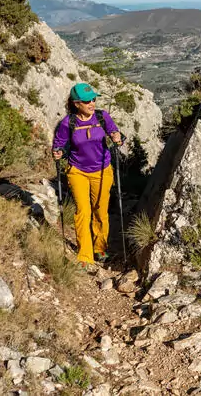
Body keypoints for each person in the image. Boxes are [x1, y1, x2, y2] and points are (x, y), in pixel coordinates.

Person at [52, 83, 122, 269]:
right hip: (78, 171)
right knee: (83, 211)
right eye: (87, 101)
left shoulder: (102, 116)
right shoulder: (68, 123)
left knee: (100, 211)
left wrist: (117, 137)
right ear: (76, 103)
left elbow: (115, 132)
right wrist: (58, 152)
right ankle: (85, 254)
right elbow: (59, 143)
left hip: (102, 170)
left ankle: (100, 248)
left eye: (93, 99)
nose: (92, 103)